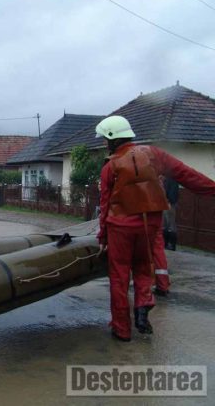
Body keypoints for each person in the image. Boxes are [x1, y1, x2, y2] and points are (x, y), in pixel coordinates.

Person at [95, 115, 215, 341]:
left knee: (119, 276)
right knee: (143, 267)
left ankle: (121, 329)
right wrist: (212, 189)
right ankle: (143, 306)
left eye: (104, 138)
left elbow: (105, 205)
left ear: (112, 139)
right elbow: (186, 174)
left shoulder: (110, 167)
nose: (103, 142)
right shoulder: (154, 154)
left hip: (120, 226)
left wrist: (103, 237)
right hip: (149, 224)